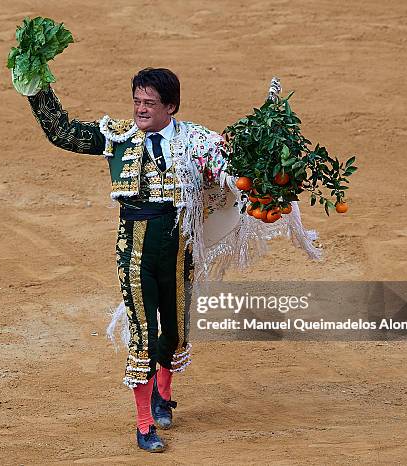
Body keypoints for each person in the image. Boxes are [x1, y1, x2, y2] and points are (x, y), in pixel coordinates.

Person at [18, 68, 321, 452]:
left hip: (179, 247)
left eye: (149, 103)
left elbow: (230, 173)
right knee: (143, 335)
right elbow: (62, 133)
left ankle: (163, 393)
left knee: (175, 331)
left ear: (171, 107)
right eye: (137, 101)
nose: (141, 110)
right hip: (134, 249)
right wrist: (35, 88)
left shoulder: (196, 141)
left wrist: (263, 171)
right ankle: (144, 424)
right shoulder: (119, 137)